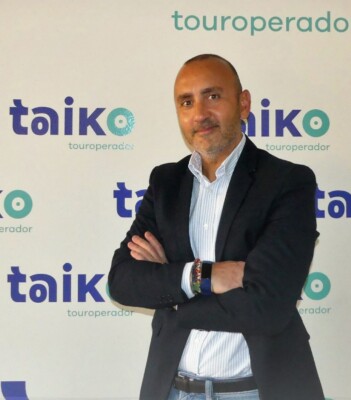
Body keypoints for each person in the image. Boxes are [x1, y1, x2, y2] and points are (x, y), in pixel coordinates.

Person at [108, 54, 324, 400]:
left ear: (243, 103)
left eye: (212, 96)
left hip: (257, 391)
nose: (200, 114)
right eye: (186, 102)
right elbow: (122, 281)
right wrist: (204, 276)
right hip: (173, 391)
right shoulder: (166, 183)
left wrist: (173, 298)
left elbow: (268, 306)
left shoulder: (286, 182)